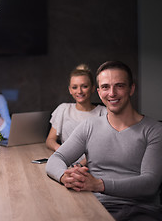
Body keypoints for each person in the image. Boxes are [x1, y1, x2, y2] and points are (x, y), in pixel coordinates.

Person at [46, 61, 162, 220]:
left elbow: (149, 184)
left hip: (140, 211)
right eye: (106, 87)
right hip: (95, 207)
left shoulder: (154, 130)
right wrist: (65, 176)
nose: (112, 93)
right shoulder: (89, 126)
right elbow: (56, 159)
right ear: (99, 92)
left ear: (131, 89)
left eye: (119, 86)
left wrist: (98, 184)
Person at [46, 64, 107, 164]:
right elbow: (50, 140)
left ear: (92, 88)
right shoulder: (63, 109)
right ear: (70, 90)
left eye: (84, 86)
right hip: (66, 163)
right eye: (75, 87)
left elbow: (105, 147)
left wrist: (81, 165)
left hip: (93, 166)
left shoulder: (104, 112)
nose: (79, 91)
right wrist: (61, 150)